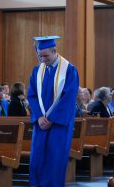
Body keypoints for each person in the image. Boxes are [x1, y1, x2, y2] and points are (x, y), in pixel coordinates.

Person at [27, 35, 79, 187]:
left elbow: (68, 97)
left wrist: (52, 119)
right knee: (37, 157)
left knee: (55, 157)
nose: (42, 59)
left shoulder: (69, 70)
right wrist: (38, 118)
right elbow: (31, 95)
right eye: (40, 55)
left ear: (55, 51)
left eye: (46, 56)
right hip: (41, 123)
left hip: (58, 124)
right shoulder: (37, 70)